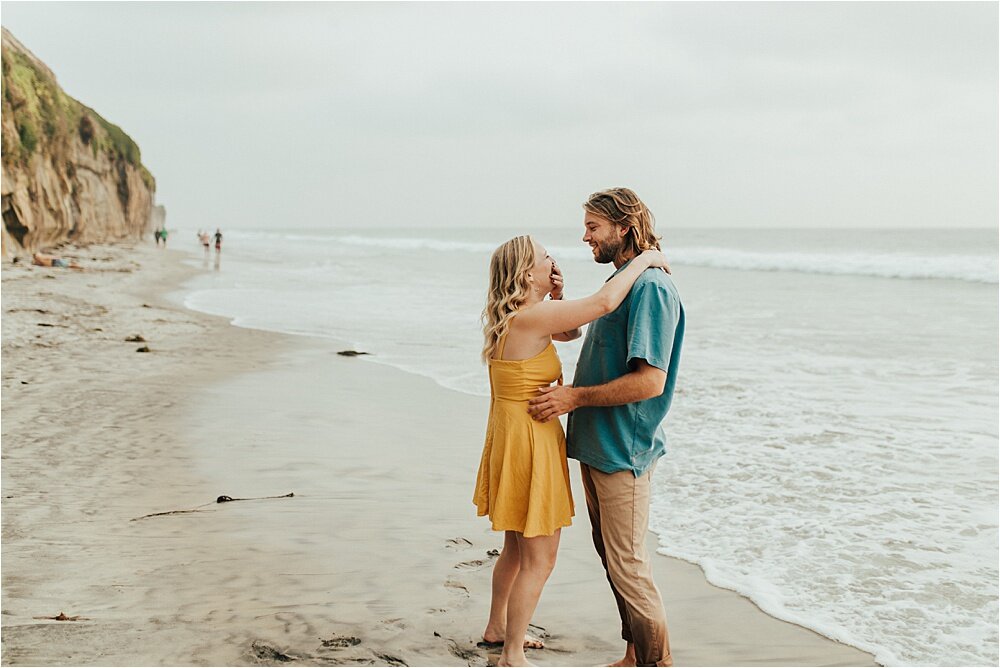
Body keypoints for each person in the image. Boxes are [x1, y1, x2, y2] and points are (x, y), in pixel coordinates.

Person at [474, 234, 670, 667]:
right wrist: (646, 261)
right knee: (539, 559)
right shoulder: (530, 317)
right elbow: (603, 304)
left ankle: (497, 628)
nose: (555, 261)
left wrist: (558, 294)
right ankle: (511, 655)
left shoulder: (521, 317)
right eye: (547, 258)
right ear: (527, 273)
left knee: (515, 547)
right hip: (529, 444)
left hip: (513, 438)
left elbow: (568, 331)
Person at [527, 188, 684, 667]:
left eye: (593, 227)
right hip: (599, 445)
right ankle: (635, 654)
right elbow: (577, 330)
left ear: (624, 228)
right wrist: (558, 299)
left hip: (625, 451)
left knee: (629, 566)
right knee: (614, 559)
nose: (585, 236)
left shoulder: (652, 288)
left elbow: (650, 382)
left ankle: (657, 662)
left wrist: (574, 397)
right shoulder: (622, 280)